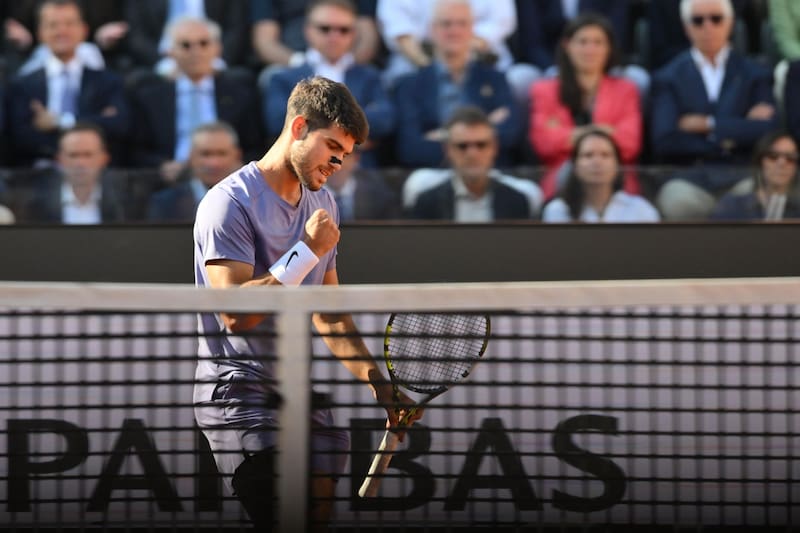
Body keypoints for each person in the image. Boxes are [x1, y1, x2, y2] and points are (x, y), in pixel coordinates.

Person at [192, 77, 420, 530]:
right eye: (332, 145)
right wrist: (307, 251)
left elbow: (330, 315)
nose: (338, 160)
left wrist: (379, 383)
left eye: (347, 153)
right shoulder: (228, 203)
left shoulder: (324, 202)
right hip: (240, 394)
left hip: (300, 395)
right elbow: (236, 314)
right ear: (298, 127)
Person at [651, 0, 777, 220]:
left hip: (742, 174)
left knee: (751, 201)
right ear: (686, 26)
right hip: (688, 177)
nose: (708, 26)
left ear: (730, 22)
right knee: (679, 203)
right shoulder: (668, 77)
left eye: (716, 18)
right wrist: (735, 131)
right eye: (698, 20)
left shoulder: (754, 73)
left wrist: (708, 125)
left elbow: (767, 130)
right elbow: (665, 138)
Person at [128, 16, 263, 181]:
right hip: (171, 182)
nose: (196, 51)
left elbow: (257, 146)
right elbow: (136, 151)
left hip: (229, 181)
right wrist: (161, 166)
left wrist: (238, 165)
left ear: (217, 48)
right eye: (185, 45)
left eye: (204, 43)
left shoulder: (241, 95)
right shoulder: (150, 97)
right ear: (170, 52)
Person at [262, 0, 395, 168]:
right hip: (300, 171)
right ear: (308, 30)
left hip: (360, 172)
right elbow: (277, 121)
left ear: (354, 33)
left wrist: (314, 125)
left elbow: (385, 120)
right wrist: (351, 136)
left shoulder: (370, 77)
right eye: (325, 29)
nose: (334, 36)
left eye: (343, 30)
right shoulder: (283, 79)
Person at [391, 0, 521, 168]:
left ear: (472, 29)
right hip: (432, 174)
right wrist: (483, 129)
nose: (454, 31)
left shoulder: (495, 79)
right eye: (446, 24)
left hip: (489, 173)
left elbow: (510, 133)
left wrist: (442, 136)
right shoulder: (409, 85)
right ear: (431, 30)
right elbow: (410, 148)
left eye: (462, 23)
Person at [528, 13, 642, 199]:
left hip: (615, 179)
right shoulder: (544, 90)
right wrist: (603, 132)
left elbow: (630, 144)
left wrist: (568, 134)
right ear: (567, 46)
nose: (590, 49)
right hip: (560, 180)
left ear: (609, 48)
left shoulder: (626, 89)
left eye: (598, 42)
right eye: (582, 42)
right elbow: (543, 143)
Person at [5, 0, 129, 167]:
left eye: (69, 23)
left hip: (97, 173)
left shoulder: (108, 82)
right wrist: (66, 153)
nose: (62, 31)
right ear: (40, 32)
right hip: (39, 174)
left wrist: (60, 122)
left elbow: (118, 126)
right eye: (53, 25)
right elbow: (20, 135)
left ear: (84, 29)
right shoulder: (22, 85)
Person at [409, 105, 540, 221]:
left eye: (481, 145)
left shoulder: (517, 202)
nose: (472, 154)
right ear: (447, 150)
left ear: (495, 147)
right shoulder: (428, 203)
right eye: (462, 146)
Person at [377, 0, 517, 89]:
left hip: (481, 60)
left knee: (520, 78)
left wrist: (458, 58)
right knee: (398, 82)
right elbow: (400, 32)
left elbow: (500, 22)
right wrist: (431, 69)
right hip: (416, 64)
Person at [8, 123, 126, 224]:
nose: (80, 163)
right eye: (73, 155)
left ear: (104, 158)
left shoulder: (123, 200)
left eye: (88, 155)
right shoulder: (37, 203)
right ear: (59, 159)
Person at [542, 128, 660, 223]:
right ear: (575, 166)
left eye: (605, 155)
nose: (597, 162)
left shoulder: (641, 209)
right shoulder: (558, 211)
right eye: (588, 155)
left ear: (617, 165)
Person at [146, 121, 242, 222]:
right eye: (206, 154)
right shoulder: (165, 203)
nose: (213, 163)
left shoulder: (253, 201)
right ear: (191, 157)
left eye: (222, 154)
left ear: (237, 156)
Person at [123, 0, 248, 76]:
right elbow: (137, 35)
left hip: (214, 59)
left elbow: (235, 28)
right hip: (159, 62)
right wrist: (163, 66)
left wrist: (217, 64)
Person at [250, 0, 380, 72]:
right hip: (292, 61)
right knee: (273, 75)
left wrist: (346, 63)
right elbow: (265, 41)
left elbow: (367, 34)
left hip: (348, 60)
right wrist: (301, 63)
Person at [711, 130, 800, 220]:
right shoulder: (732, 206)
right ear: (760, 162)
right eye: (773, 156)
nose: (782, 163)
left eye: (790, 158)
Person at [323, 147, 400, 220]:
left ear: (356, 159)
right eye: (329, 157)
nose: (336, 165)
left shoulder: (377, 191)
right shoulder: (311, 194)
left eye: (344, 157)